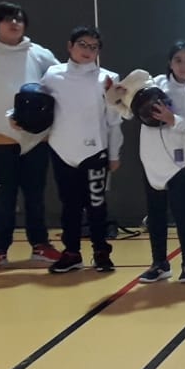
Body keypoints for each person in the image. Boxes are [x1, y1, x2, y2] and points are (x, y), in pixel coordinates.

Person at [0, 1, 60, 270]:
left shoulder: (40, 55)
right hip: (1, 141)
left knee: (36, 197)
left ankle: (40, 245)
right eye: (7, 19)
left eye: (18, 19)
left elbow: (60, 88)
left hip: (36, 140)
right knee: (4, 200)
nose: (14, 23)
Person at [40, 27, 123, 275]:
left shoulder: (108, 78)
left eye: (93, 47)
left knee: (96, 205)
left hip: (94, 151)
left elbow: (114, 120)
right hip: (61, 150)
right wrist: (18, 118)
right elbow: (39, 106)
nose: (87, 51)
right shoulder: (53, 75)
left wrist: (114, 154)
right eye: (82, 45)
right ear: (70, 46)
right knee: (70, 206)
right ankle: (72, 253)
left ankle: (101, 251)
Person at [136, 41, 185, 284]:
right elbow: (127, 108)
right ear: (170, 63)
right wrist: (117, 95)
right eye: (178, 60)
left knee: (182, 212)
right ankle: (159, 264)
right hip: (152, 158)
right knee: (155, 213)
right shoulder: (154, 84)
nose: (183, 65)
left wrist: (174, 120)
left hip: (182, 160)